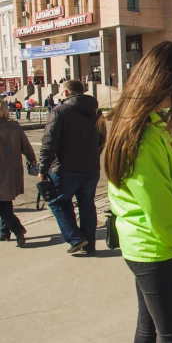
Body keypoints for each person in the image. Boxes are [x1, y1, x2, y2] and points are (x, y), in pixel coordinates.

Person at [105, 41, 172, 343]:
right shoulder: (144, 137)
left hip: (148, 244)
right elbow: (162, 211)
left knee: (150, 328)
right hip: (157, 248)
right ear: (165, 84)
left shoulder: (147, 125)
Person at [38, 80, 105, 255]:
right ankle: (89, 245)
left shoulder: (59, 112)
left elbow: (49, 143)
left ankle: (76, 238)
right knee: (87, 205)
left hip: (65, 168)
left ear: (66, 93)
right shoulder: (96, 112)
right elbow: (102, 140)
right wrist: (93, 157)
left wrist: (42, 169)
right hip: (91, 168)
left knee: (57, 202)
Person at [0, 101, 36, 246]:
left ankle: (17, 229)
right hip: (12, 169)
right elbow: (26, 147)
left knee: (3, 203)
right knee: (5, 201)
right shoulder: (15, 126)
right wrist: (32, 160)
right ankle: (4, 231)